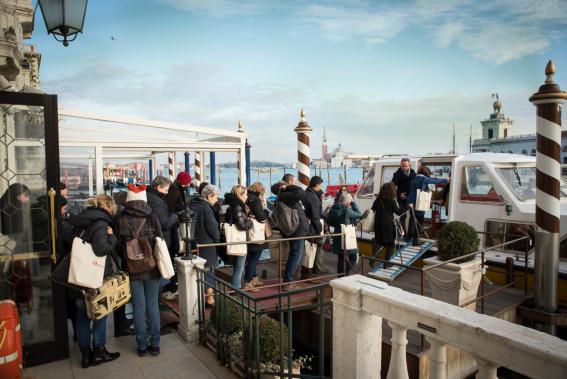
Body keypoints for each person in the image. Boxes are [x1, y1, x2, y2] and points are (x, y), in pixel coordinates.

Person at [68, 195, 120, 368]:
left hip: (78, 276)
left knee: (82, 316)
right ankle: (99, 351)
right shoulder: (101, 223)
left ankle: (85, 355)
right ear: (107, 206)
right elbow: (101, 249)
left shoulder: (80, 219)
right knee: (100, 314)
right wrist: (112, 238)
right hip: (95, 278)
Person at [116, 184, 163, 357]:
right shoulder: (152, 216)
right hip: (151, 266)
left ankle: (142, 346)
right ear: (144, 199)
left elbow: (117, 244)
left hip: (132, 267)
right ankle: (155, 344)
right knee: (152, 303)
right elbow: (160, 240)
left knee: (138, 305)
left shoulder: (121, 218)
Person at [271, 175, 309, 291]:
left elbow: (273, 187)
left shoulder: (281, 194)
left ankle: (289, 279)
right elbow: (301, 192)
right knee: (296, 255)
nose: (296, 183)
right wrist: (290, 187)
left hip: (291, 229)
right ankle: (288, 281)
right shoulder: (286, 195)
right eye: (294, 181)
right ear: (290, 182)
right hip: (296, 229)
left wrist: (284, 186)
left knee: (294, 254)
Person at [146, 176, 178, 300]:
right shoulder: (157, 201)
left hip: (151, 240)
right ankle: (159, 297)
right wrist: (174, 217)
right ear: (159, 187)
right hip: (160, 240)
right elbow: (164, 224)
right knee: (162, 270)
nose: (167, 192)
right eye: (166, 189)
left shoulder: (148, 196)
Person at [190, 184, 221, 306]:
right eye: (215, 197)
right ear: (209, 196)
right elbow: (212, 227)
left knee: (200, 270)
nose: (217, 200)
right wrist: (218, 240)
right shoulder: (206, 208)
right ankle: (210, 299)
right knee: (209, 270)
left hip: (195, 242)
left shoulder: (193, 205)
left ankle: (202, 297)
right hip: (207, 243)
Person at [407, 166, 449, 245]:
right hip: (418, 203)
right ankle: (415, 241)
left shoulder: (415, 178)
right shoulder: (422, 178)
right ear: (426, 173)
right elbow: (434, 181)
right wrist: (446, 180)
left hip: (411, 202)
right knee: (419, 221)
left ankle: (409, 238)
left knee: (413, 220)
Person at [224, 185, 253, 289]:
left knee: (238, 265)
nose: (247, 197)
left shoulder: (228, 204)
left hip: (230, 237)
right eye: (245, 194)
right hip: (238, 238)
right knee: (239, 266)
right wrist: (250, 221)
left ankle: (234, 287)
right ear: (239, 195)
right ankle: (236, 289)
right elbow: (242, 225)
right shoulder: (237, 206)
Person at [327, 192, 361, 275]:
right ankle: (346, 274)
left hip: (337, 236)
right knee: (353, 257)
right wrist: (353, 202)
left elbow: (329, 221)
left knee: (341, 258)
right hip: (347, 236)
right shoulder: (347, 210)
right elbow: (359, 214)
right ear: (348, 202)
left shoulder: (333, 209)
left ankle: (340, 276)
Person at [244, 182, 269, 290]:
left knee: (250, 257)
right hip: (256, 233)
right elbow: (261, 216)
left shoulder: (246, 196)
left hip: (247, 231)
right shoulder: (256, 199)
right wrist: (266, 213)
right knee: (254, 258)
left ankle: (254, 278)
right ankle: (248, 282)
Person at [372, 182, 402, 267]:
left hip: (377, 225)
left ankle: (374, 257)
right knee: (391, 244)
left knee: (380, 242)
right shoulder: (391, 201)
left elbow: (373, 209)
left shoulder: (377, 200)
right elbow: (398, 212)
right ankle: (386, 263)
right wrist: (407, 206)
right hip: (387, 225)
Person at [302, 176, 326, 277]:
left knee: (310, 250)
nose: (321, 187)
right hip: (312, 227)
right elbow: (315, 214)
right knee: (311, 250)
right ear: (317, 185)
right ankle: (308, 273)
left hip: (306, 224)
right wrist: (319, 228)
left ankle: (310, 270)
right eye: (321, 185)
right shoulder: (313, 198)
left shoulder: (306, 193)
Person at [392, 158, 416, 234]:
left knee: (413, 215)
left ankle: (410, 233)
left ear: (409, 166)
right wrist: (399, 194)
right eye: (402, 166)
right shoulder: (396, 174)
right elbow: (392, 187)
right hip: (402, 198)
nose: (404, 168)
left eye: (405, 166)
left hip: (411, 198)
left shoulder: (413, 173)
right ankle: (405, 233)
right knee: (403, 216)